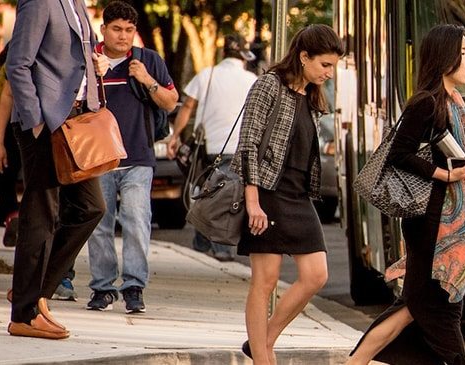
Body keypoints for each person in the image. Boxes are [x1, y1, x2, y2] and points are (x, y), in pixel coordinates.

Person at [346, 24, 465, 365]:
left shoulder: (457, 103)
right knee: (440, 311)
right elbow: (399, 154)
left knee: (411, 308)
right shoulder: (426, 104)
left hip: (447, 226)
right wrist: (444, 175)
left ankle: (353, 364)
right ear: (443, 57)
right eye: (462, 54)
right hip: (431, 226)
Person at [3, 0, 113, 341]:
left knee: (91, 208)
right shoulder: (40, 3)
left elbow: (75, 62)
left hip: (74, 122)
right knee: (41, 215)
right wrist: (36, 121)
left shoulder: (76, 5)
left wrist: (98, 68)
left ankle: (34, 291)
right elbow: (17, 64)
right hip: (45, 125)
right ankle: (24, 314)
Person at [234, 25, 344, 364]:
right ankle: (263, 358)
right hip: (268, 193)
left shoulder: (311, 94)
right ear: (304, 57)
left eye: (333, 66)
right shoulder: (269, 85)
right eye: (325, 65)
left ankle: (261, 341)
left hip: (297, 197)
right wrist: (253, 201)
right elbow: (248, 143)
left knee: (316, 275)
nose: (329, 72)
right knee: (264, 282)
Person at [81, 1, 178, 315]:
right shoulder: (88, 59)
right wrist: (92, 77)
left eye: (129, 30)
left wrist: (147, 79)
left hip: (138, 156)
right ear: (104, 29)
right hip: (98, 156)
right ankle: (103, 287)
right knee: (100, 224)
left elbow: (170, 102)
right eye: (117, 29)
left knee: (137, 221)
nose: (123, 36)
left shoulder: (147, 59)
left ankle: (134, 287)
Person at [175, 35, 259, 262]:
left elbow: (187, 107)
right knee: (224, 196)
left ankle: (201, 242)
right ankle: (220, 248)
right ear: (243, 55)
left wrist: (175, 136)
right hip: (241, 146)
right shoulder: (253, 79)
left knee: (211, 192)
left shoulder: (207, 75)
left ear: (223, 54)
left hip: (210, 146)